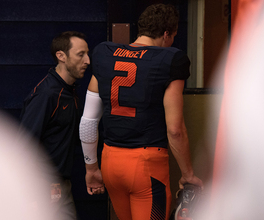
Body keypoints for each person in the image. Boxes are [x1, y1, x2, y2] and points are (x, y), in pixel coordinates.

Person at [79, 4, 203, 220]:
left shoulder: (104, 54)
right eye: (172, 36)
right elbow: (175, 130)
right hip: (146, 165)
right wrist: (187, 174)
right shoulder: (170, 60)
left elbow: (88, 121)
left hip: (110, 161)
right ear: (166, 34)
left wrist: (91, 168)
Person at [20, 31, 90, 220]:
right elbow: (25, 145)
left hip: (60, 184)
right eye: (80, 54)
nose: (87, 61)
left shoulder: (69, 92)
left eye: (87, 54)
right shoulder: (47, 95)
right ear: (61, 56)